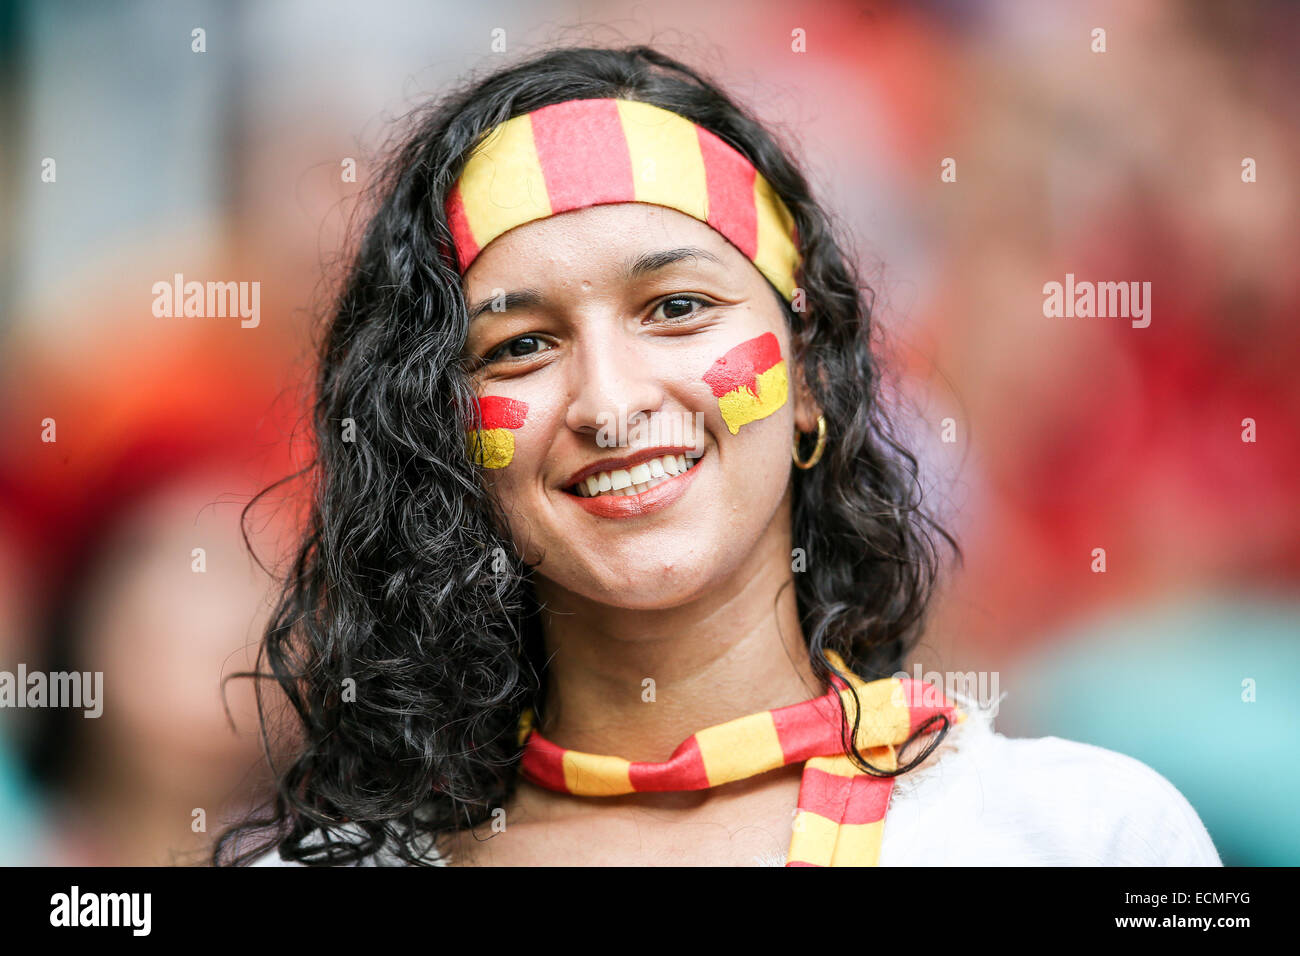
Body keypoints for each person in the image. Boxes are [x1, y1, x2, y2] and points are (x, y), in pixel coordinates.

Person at [222, 44, 1220, 867]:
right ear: (444, 436)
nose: (610, 403)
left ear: (815, 376)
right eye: (520, 343)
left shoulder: (1089, 836)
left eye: (676, 307)